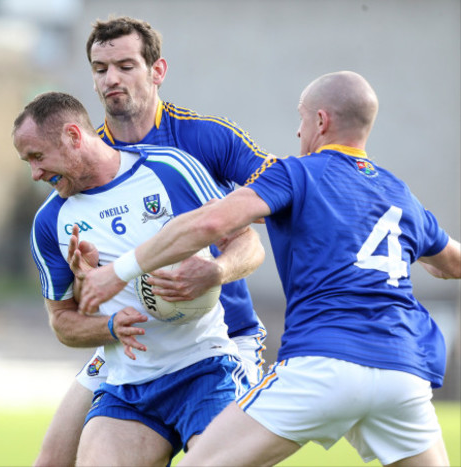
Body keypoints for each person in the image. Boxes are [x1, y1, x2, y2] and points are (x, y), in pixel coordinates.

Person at [78, 70, 461, 466]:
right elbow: (453, 263)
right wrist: (427, 259)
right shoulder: (400, 194)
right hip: (403, 373)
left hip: (323, 364)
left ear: (321, 122)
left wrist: (117, 272)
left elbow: (209, 223)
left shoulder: (295, 172)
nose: (298, 132)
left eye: (301, 117)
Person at [34, 16, 271, 466]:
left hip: (221, 338)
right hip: (134, 348)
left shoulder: (206, 139)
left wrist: (218, 270)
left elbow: (279, 200)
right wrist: (86, 282)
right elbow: (85, 293)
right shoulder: (87, 163)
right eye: (100, 69)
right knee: (51, 460)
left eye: (125, 65)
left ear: (157, 71)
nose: (111, 79)